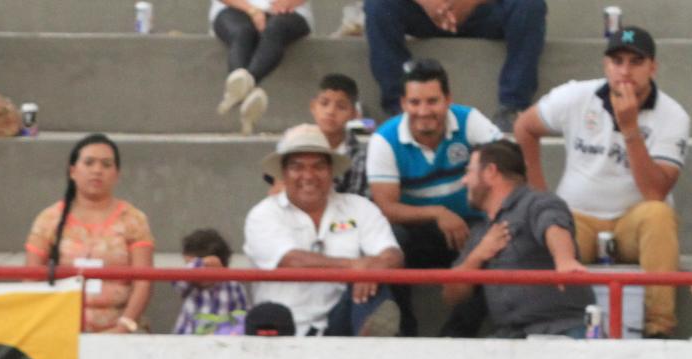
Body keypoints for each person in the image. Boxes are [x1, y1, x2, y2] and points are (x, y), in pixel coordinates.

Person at [515, 26, 687, 340]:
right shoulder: (576, 96)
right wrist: (539, 192)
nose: (625, 70)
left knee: (659, 215)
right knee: (548, 228)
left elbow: (655, 192)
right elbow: (524, 126)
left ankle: (659, 328)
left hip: (633, 224)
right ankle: (555, 326)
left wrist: (630, 128)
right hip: (578, 216)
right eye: (617, 60)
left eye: (636, 62)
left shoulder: (672, 115)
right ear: (605, 64)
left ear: (653, 67)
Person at [365, 59, 501, 336]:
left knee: (498, 249)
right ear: (403, 103)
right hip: (418, 233)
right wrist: (438, 213)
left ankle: (456, 336)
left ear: (448, 99)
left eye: (432, 101)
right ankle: (404, 332)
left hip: (472, 226)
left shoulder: (470, 120)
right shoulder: (384, 140)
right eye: (415, 102)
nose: (423, 111)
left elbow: (507, 168)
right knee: (390, 244)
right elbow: (386, 207)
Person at [243, 124, 403, 336]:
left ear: (331, 171)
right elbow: (291, 261)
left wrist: (375, 267)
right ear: (283, 173)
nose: (308, 175)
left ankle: (373, 342)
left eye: (318, 166)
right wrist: (357, 267)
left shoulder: (360, 207)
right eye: (297, 167)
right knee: (367, 273)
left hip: (342, 320)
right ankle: (375, 351)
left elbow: (393, 254)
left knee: (375, 281)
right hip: (286, 327)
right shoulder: (263, 214)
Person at [443, 140, 593, 338]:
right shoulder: (481, 232)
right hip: (509, 338)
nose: (464, 181)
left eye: (469, 171)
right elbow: (451, 296)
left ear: (490, 172)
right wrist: (477, 256)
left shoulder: (538, 202)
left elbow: (554, 225)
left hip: (561, 330)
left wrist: (564, 260)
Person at [25, 134, 154, 334]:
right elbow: (31, 279)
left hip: (122, 332)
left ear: (117, 174)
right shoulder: (49, 219)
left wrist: (124, 327)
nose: (97, 170)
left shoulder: (134, 219)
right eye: (89, 162)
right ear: (73, 171)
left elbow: (144, 282)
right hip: (60, 331)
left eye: (106, 164)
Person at [364, 0, 544, 127]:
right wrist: (429, 2)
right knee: (378, 5)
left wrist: (468, 2)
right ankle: (400, 105)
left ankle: (513, 107)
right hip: (425, 14)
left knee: (530, 4)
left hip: (483, 13)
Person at [212, 0, 314, 137]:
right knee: (242, 32)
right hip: (233, 9)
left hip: (289, 11)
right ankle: (245, 91)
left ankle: (240, 89)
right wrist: (252, 10)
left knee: (275, 29)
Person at [173, 229, 251, 335]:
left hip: (224, 341)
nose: (194, 270)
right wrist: (201, 263)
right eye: (190, 266)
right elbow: (177, 281)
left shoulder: (233, 285)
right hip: (189, 342)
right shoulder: (190, 286)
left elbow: (243, 314)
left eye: (199, 266)